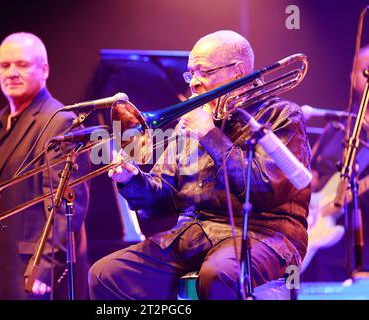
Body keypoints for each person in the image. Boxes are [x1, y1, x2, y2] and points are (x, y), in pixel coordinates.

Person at [88, 30, 311, 300]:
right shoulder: (193, 122)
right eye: (190, 73)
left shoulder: (281, 115)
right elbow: (162, 200)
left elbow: (266, 188)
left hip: (266, 232)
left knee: (219, 275)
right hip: (195, 232)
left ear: (239, 72)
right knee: (106, 274)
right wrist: (131, 179)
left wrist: (210, 136)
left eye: (203, 71)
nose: (193, 82)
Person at [0, 32, 90, 300]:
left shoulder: (58, 120)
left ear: (45, 70)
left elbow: (66, 203)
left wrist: (47, 264)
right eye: (5, 65)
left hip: (31, 271)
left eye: (22, 64)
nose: (12, 72)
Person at [301, 44, 369, 281]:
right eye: (367, 71)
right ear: (353, 78)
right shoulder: (339, 124)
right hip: (324, 242)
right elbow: (312, 173)